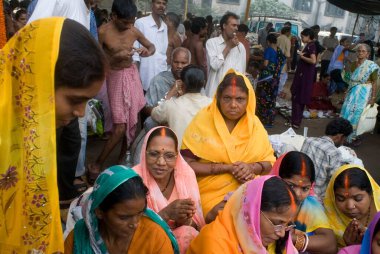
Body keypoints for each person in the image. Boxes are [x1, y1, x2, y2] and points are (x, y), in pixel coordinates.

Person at [0, 17, 106, 253]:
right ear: (39, 80)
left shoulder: (33, 134)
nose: (80, 112)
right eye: (75, 100)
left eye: (87, 101)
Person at [181, 69, 276, 223]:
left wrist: (250, 168)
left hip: (249, 188)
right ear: (218, 98)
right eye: (227, 98)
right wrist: (227, 168)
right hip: (208, 193)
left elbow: (269, 164)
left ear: (249, 100)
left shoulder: (255, 125)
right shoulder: (203, 120)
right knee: (219, 218)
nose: (233, 105)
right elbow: (185, 165)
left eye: (240, 99)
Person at [87, 0, 155, 183]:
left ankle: (120, 161)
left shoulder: (133, 30)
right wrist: (115, 57)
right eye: (125, 22)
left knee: (134, 117)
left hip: (131, 74)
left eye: (131, 21)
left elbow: (151, 47)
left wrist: (145, 51)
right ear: (114, 16)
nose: (129, 25)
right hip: (114, 76)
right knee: (120, 126)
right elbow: (95, 61)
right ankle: (97, 163)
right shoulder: (103, 32)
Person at [64, 166, 179, 253]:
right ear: (99, 211)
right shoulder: (79, 239)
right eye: (124, 217)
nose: (135, 223)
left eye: (140, 213)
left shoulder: (155, 238)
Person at [133, 127, 205, 253]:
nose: (161, 162)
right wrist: (166, 214)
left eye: (169, 156)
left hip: (180, 241)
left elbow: (197, 225)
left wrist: (184, 220)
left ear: (177, 156)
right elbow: (129, 230)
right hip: (146, 243)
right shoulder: (134, 179)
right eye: (154, 154)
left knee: (188, 233)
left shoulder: (186, 175)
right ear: (144, 153)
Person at [187, 176, 298, 253]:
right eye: (277, 223)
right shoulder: (214, 243)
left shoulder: (270, 241)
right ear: (252, 212)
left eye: (287, 225)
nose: (282, 234)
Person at [271, 151, 337, 253]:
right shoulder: (264, 198)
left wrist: (290, 238)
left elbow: (330, 245)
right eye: (291, 186)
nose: (297, 194)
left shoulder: (309, 205)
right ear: (278, 178)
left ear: (311, 186)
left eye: (305, 188)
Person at [151, 65, 212, 145]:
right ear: (203, 83)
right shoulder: (212, 104)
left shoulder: (171, 105)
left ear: (182, 84)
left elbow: (155, 114)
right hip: (204, 154)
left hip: (179, 154)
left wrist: (169, 95)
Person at [324, 165, 380, 248]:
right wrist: (351, 248)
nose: (350, 206)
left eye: (358, 198)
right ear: (332, 197)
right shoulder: (325, 223)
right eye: (341, 199)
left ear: (371, 194)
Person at [301, 117, 353, 200]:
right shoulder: (334, 152)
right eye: (344, 139)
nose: (343, 142)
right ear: (340, 136)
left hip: (300, 189)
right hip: (316, 197)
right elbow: (335, 180)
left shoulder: (308, 141)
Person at [340, 43, 379, 146]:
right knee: (347, 112)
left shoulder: (372, 66)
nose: (360, 53)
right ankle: (344, 136)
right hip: (352, 92)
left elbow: (374, 83)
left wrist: (373, 98)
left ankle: (354, 138)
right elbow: (352, 81)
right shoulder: (354, 64)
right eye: (359, 51)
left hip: (364, 93)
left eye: (363, 51)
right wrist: (346, 93)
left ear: (368, 54)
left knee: (357, 115)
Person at [205, 12, 246, 97]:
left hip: (231, 94)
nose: (236, 28)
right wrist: (228, 47)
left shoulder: (240, 47)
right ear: (224, 26)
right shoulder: (212, 43)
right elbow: (215, 65)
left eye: (237, 26)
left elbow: (241, 72)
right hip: (214, 92)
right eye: (233, 25)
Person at [144, 47, 191, 117]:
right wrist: (171, 93)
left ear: (189, 63)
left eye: (183, 63)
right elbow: (146, 109)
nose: (179, 66)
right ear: (171, 62)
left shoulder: (193, 80)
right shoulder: (158, 80)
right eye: (176, 62)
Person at [133, 0, 168, 91]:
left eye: (164, 4)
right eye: (158, 3)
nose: (161, 6)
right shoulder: (140, 23)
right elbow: (135, 53)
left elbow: (163, 53)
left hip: (161, 75)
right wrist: (136, 77)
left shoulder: (164, 26)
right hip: (144, 75)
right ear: (152, 4)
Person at [256, 33, 286, 128]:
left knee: (262, 99)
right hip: (275, 79)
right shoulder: (279, 50)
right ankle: (269, 121)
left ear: (268, 41)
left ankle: (262, 121)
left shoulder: (268, 50)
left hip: (266, 79)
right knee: (272, 99)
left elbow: (265, 64)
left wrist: (259, 67)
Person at [290, 28, 317, 129]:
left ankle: (296, 121)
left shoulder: (311, 46)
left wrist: (302, 57)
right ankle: (296, 121)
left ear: (308, 36)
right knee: (298, 98)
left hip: (304, 77)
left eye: (303, 37)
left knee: (298, 98)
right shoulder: (309, 45)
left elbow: (313, 61)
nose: (302, 38)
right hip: (303, 75)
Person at [277, 26, 292, 99]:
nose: (290, 33)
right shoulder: (287, 40)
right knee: (282, 80)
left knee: (277, 79)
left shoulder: (278, 38)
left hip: (276, 62)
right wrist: (289, 66)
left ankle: (276, 94)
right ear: (287, 32)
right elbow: (288, 55)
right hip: (284, 63)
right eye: (289, 32)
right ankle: (278, 95)